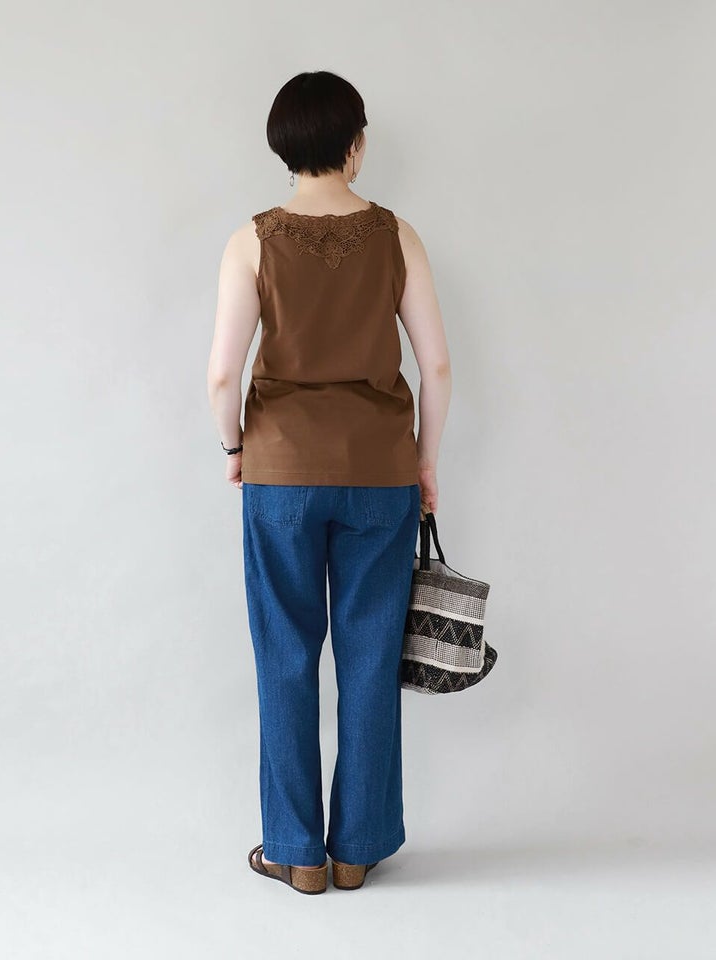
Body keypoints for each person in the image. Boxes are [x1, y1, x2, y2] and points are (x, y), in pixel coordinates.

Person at [207, 70, 451, 894]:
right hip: (380, 471)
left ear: (283, 145)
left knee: (285, 654)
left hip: (279, 473)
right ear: (355, 144)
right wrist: (424, 461)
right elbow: (437, 366)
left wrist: (235, 447)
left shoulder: (250, 241)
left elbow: (221, 375)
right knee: (371, 654)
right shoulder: (397, 235)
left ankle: (296, 853)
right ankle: (358, 848)